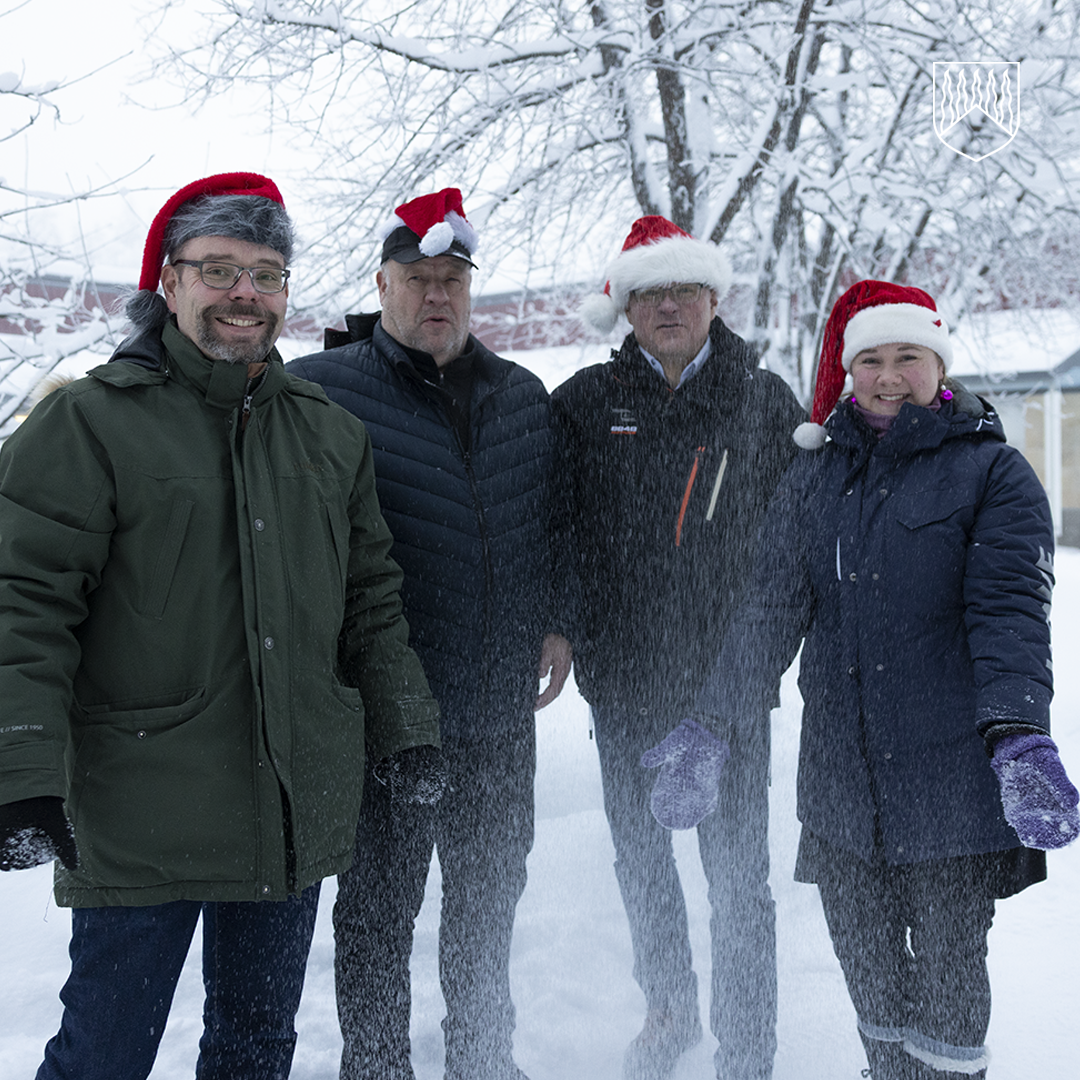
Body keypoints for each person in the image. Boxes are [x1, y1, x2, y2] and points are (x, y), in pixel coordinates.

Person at [0, 172, 444, 1080]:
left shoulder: (327, 433)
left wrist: (407, 729)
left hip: (287, 805)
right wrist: (20, 770)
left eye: (267, 273)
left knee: (253, 1051)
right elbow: (21, 605)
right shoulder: (87, 424)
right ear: (168, 284)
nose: (246, 292)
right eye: (220, 268)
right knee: (105, 1056)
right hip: (140, 811)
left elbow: (370, 596)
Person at [693, 279, 1080, 1079]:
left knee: (946, 980)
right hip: (841, 788)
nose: (889, 375)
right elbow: (768, 607)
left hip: (947, 785)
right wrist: (713, 723)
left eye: (908, 356)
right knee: (870, 978)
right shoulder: (814, 477)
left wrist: (1017, 735)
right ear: (849, 368)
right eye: (870, 358)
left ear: (938, 365)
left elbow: (1008, 615)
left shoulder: (992, 474)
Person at [287, 188, 570, 1080]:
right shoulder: (323, 393)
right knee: (376, 913)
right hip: (383, 719)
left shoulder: (524, 397)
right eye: (417, 279)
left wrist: (561, 618)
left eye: (452, 278)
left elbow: (559, 524)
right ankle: (374, 1067)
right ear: (383, 283)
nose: (435, 295)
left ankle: (483, 1056)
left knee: (488, 906)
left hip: (496, 718)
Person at [550, 215, 806, 1080]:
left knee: (738, 881)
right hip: (623, 685)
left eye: (682, 289)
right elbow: (554, 529)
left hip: (726, 690)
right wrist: (561, 624)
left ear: (712, 297)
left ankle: (747, 1042)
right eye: (648, 293)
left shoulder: (762, 399)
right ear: (624, 308)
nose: (667, 306)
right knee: (643, 864)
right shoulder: (585, 404)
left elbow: (802, 541)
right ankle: (668, 1009)